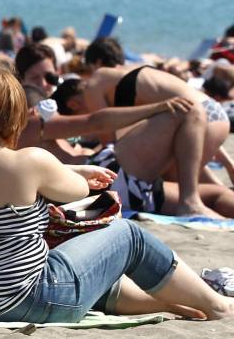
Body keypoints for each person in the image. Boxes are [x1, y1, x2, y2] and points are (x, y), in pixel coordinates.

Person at [0, 61, 234, 323]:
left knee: (83, 264)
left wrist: (70, 171)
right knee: (129, 236)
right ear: (11, 114)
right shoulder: (30, 160)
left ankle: (175, 302)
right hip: (28, 300)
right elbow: (78, 191)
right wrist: (79, 173)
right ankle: (216, 304)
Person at [71, 37, 228, 218]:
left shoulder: (98, 79)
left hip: (194, 115)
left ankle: (190, 203)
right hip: (215, 116)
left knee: (178, 190)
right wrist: (228, 165)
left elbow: (107, 135)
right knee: (193, 184)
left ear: (96, 62)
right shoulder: (135, 69)